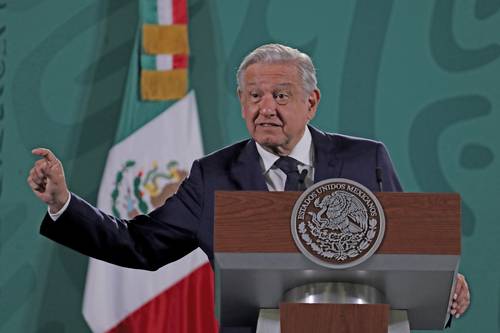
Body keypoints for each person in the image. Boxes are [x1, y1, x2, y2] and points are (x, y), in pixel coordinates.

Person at [27, 43, 470, 318]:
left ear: (311, 102)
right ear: (241, 101)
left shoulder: (366, 159)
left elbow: (405, 250)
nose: (266, 108)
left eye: (281, 95)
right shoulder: (213, 176)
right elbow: (138, 245)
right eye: (254, 96)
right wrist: (63, 203)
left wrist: (443, 283)